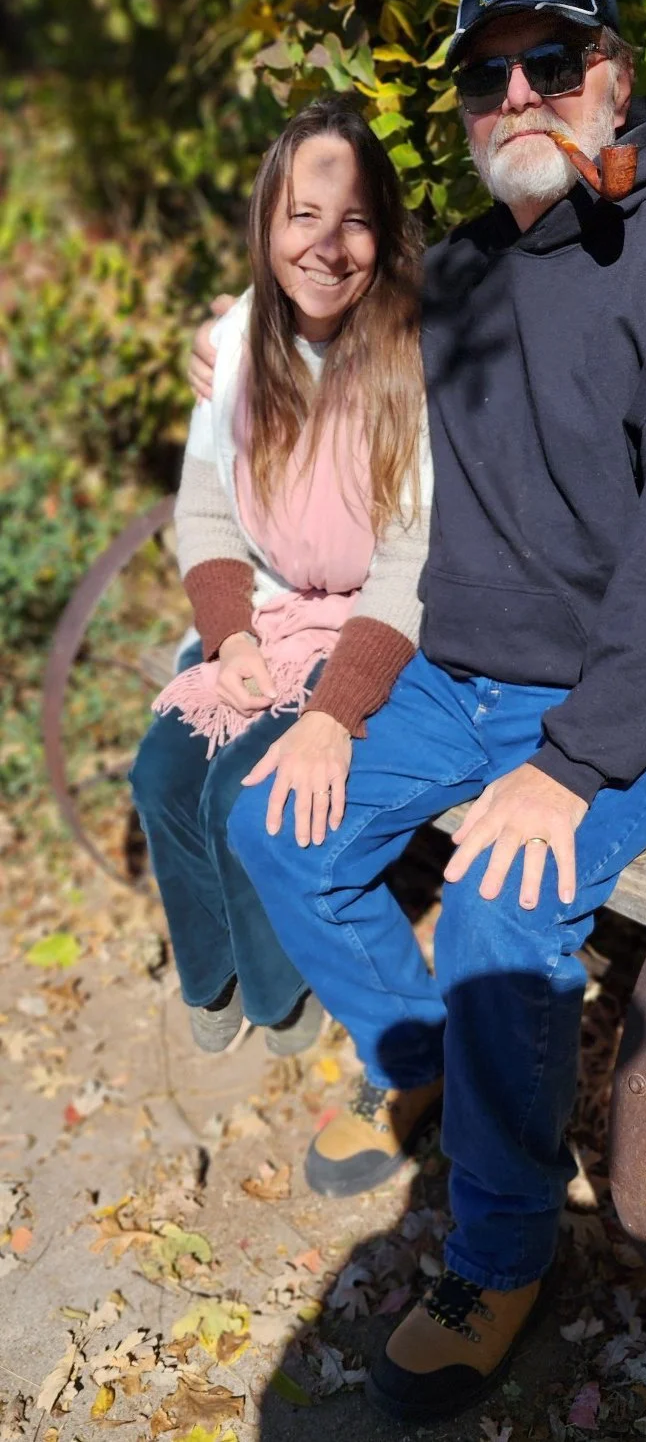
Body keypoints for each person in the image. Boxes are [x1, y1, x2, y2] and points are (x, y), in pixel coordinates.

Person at [196, 0, 646, 1423]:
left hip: (641, 710)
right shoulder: (459, 276)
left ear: (611, 72)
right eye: (486, 73)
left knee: (498, 898)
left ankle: (502, 1250)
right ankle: (447, 1083)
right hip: (454, 680)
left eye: (550, 60)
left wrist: (575, 757)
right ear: (463, 106)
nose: (518, 93)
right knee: (270, 819)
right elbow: (357, 470)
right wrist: (326, 688)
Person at [131, 98, 430, 1059]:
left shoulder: (410, 356)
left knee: (235, 795)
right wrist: (232, 636)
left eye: (353, 220)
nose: (327, 245)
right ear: (269, 223)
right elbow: (207, 508)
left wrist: (331, 708)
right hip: (265, 617)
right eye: (304, 214)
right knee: (160, 774)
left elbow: (411, 557)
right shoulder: (240, 345)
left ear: (382, 232)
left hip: (361, 633)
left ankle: (275, 994)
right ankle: (209, 973)